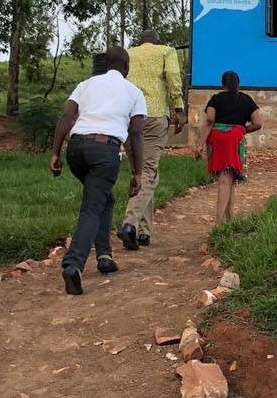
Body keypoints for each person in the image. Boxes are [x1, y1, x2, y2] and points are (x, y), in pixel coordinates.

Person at [50, 47, 145, 296]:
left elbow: (67, 115)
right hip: (104, 151)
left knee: (104, 198)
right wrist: (137, 172)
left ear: (105, 65)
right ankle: (73, 265)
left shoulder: (86, 85)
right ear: (127, 67)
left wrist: (55, 152)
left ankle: (104, 256)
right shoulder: (134, 91)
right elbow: (135, 133)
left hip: (76, 149)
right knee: (92, 207)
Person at [116, 29, 185, 250]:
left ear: (140, 42)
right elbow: (173, 77)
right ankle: (129, 223)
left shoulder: (128, 54)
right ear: (157, 42)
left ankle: (144, 232)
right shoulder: (166, 51)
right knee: (148, 171)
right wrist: (178, 107)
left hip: (128, 118)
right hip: (154, 115)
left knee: (139, 171)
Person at [195, 71, 263, 225]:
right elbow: (258, 123)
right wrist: (242, 129)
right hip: (234, 139)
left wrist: (199, 144)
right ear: (238, 84)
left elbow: (210, 119)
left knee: (228, 180)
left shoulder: (216, 99)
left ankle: (229, 219)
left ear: (222, 84)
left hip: (217, 139)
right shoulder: (246, 100)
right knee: (226, 180)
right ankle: (219, 223)